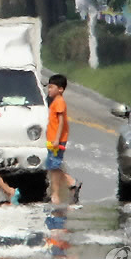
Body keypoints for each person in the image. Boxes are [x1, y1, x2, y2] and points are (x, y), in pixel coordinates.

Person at [46, 74, 81, 205]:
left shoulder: (59, 102)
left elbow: (61, 122)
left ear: (60, 89)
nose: (49, 90)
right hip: (52, 139)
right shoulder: (55, 102)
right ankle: (69, 184)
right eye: (48, 88)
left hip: (57, 140)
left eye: (51, 87)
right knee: (53, 166)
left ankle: (57, 193)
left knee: (54, 167)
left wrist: (56, 139)